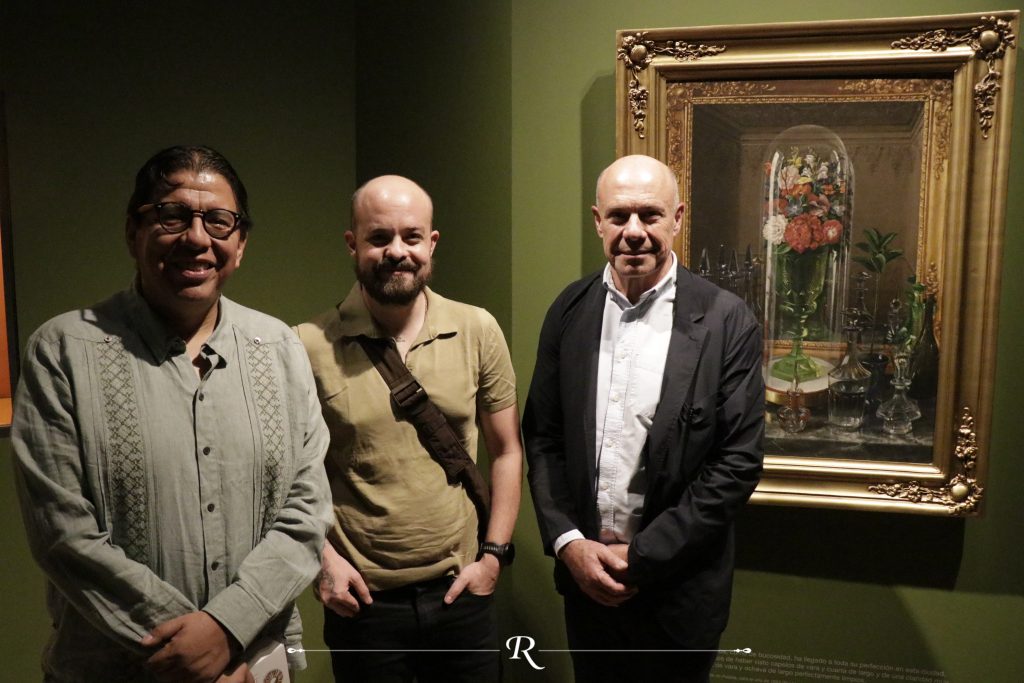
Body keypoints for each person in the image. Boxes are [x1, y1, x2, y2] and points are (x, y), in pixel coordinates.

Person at [11, 145, 332, 683]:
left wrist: (228, 628)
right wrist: (197, 650)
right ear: (133, 232)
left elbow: (308, 510)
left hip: (254, 665)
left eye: (219, 221)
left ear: (240, 243)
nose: (197, 238)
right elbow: (62, 532)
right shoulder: (62, 350)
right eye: (172, 215)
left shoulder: (279, 347)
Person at [523, 154, 764, 683]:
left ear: (677, 218)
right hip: (587, 587)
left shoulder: (726, 320)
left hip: (679, 596)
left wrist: (643, 556)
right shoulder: (568, 310)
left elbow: (737, 463)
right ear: (598, 221)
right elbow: (543, 438)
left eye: (650, 215)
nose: (633, 231)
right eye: (618, 216)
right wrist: (569, 543)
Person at [295, 175, 523, 683]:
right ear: (352, 243)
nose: (397, 251)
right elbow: (288, 478)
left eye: (411, 236)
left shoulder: (477, 328)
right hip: (364, 604)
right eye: (379, 237)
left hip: (461, 593)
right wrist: (323, 561)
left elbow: (507, 450)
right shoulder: (307, 345)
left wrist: (493, 558)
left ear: (431, 242)